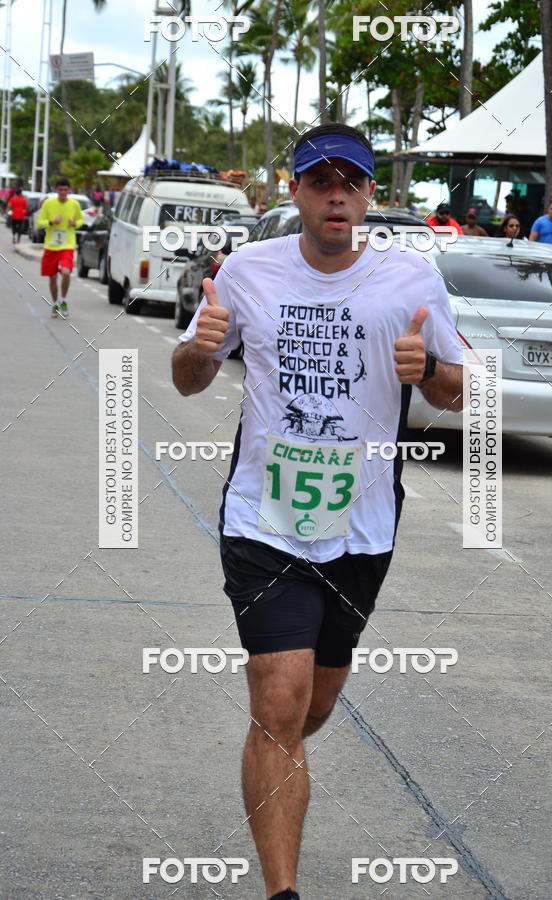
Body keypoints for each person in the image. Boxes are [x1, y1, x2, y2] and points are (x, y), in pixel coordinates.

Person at [171, 122, 465, 900]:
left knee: (312, 705)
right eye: (320, 180)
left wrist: (428, 367)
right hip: (261, 520)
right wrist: (200, 347)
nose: (337, 194)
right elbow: (186, 380)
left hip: (362, 524)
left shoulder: (411, 283)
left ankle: (274, 759)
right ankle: (282, 891)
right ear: (294, 190)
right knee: (278, 699)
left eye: (352, 182)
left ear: (370, 194)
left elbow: (461, 390)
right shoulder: (246, 274)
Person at [37, 177, 84, 318]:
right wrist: (51, 222)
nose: (63, 192)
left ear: (69, 190)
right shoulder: (48, 203)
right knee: (52, 277)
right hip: (51, 245)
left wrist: (75, 223)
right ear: (56, 190)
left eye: (65, 189)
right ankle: (55, 303)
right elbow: (40, 223)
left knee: (65, 272)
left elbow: (81, 220)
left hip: (67, 244)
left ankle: (63, 299)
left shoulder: (74, 204)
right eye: (60, 189)